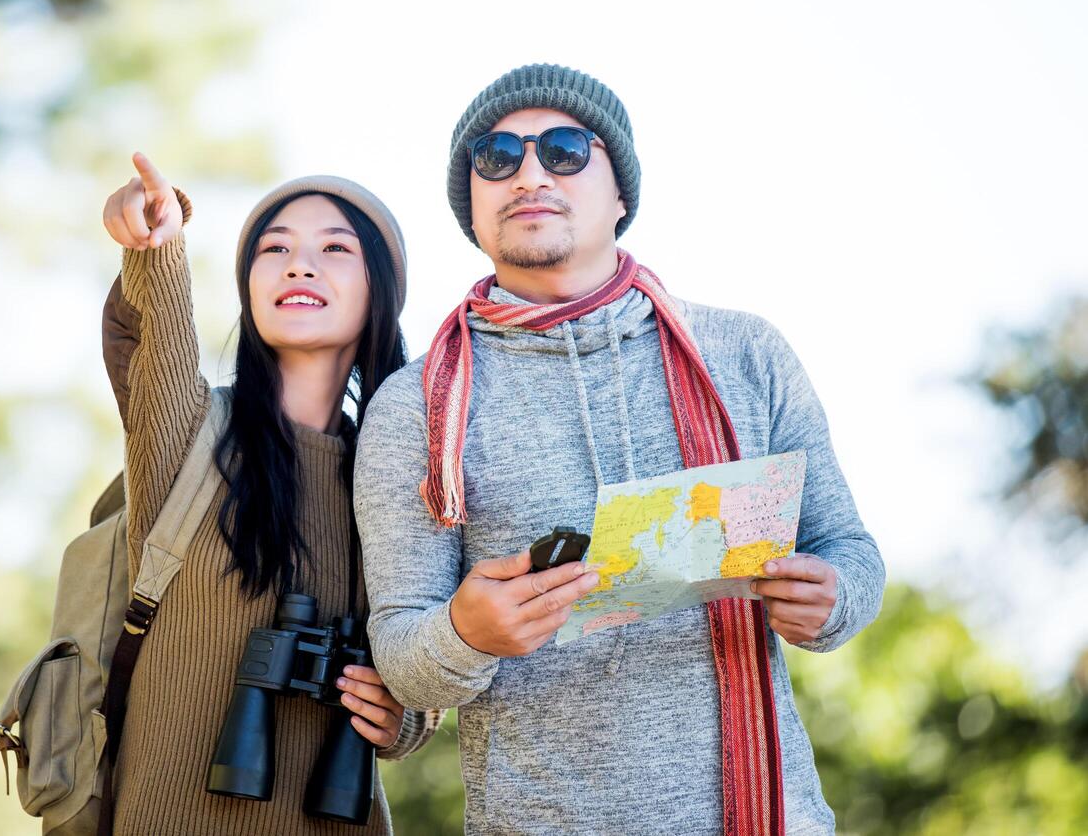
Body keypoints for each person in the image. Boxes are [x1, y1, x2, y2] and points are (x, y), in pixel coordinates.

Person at [353, 64, 885, 835]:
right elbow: (400, 653)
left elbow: (849, 548)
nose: (529, 173)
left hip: (771, 818)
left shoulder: (743, 352)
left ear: (621, 192)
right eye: (496, 157)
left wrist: (833, 597)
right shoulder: (417, 406)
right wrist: (466, 633)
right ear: (471, 203)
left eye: (565, 150)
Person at [99, 152, 439, 834]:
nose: (298, 264)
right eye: (274, 247)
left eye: (334, 248)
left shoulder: (408, 473)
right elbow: (153, 333)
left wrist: (406, 717)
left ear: (382, 291)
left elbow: (428, 631)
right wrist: (154, 242)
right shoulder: (190, 437)